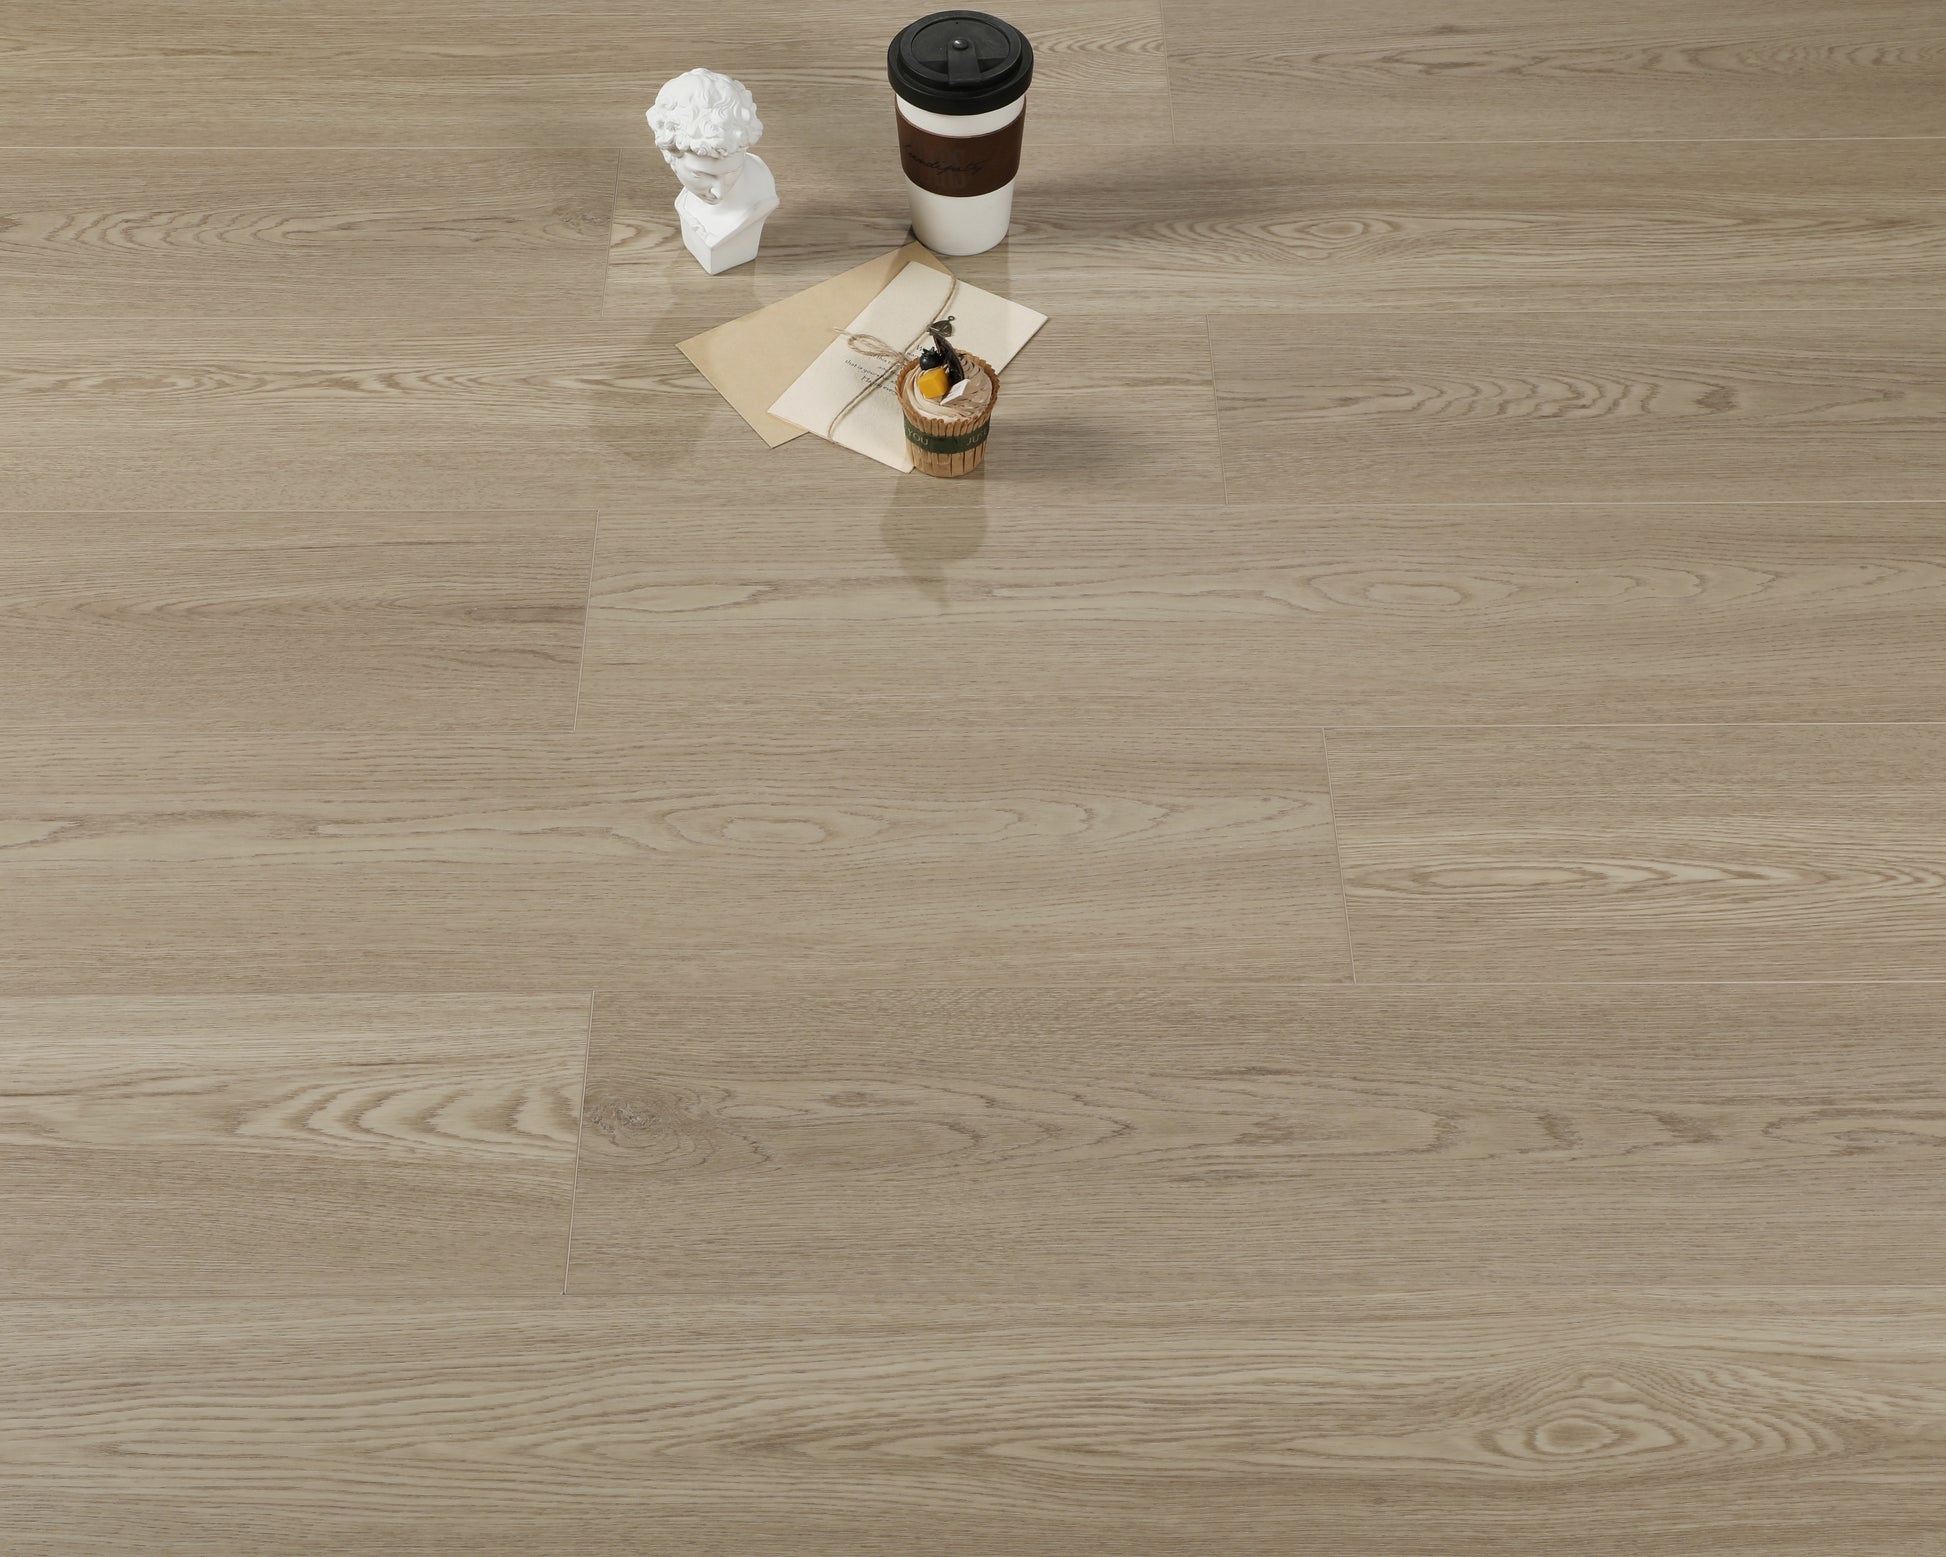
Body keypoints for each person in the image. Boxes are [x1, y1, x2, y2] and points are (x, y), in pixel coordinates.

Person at [647, 69, 780, 275]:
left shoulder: (760, 195)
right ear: (670, 155)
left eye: (732, 172)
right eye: (700, 175)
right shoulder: (677, 149)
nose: (719, 191)